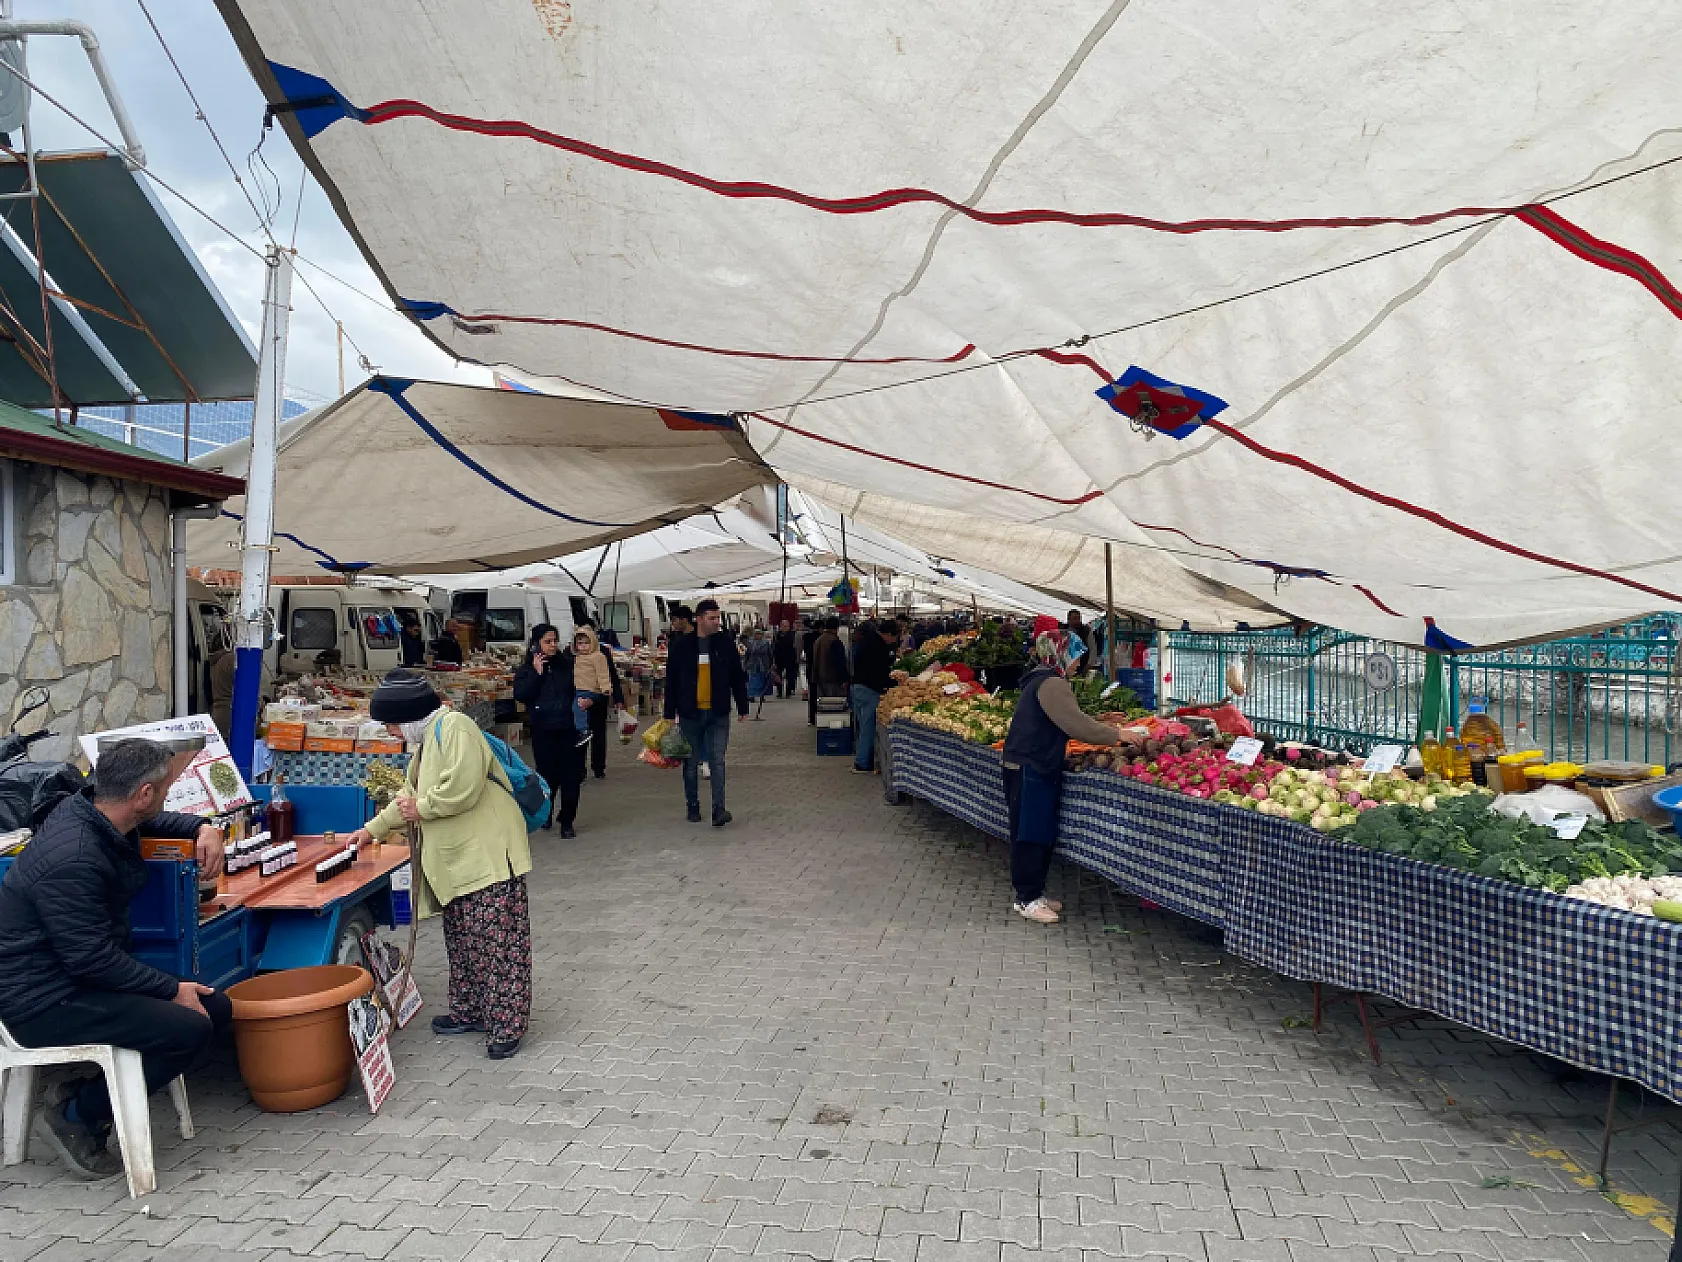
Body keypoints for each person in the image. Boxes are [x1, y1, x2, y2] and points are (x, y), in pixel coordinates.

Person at [0, 739, 229, 1179]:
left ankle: (85, 1094)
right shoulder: (74, 857)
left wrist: (204, 827)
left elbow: (157, 819)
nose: (165, 799)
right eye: (164, 791)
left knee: (215, 1006)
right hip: (41, 999)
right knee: (191, 1028)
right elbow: (89, 960)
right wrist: (170, 989)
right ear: (144, 793)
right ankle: (76, 1115)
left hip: (78, 976)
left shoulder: (94, 809)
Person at [346, 671, 533, 1059]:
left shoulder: (456, 727)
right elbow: (407, 796)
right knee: (463, 941)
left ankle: (507, 1026)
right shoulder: (426, 741)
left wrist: (423, 808)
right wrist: (371, 830)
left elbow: (463, 787)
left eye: (393, 724)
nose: (392, 732)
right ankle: (470, 1011)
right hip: (457, 864)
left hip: (485, 857)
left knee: (496, 946)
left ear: (409, 715)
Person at [1000, 632, 1123, 924]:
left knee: (1038, 830)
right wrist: (1117, 735)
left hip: (1031, 763)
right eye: (1076, 656)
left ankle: (1034, 894)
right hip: (1030, 765)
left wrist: (1101, 722)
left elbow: (1063, 719)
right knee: (1030, 833)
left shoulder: (1042, 678)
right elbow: (1075, 725)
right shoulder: (1051, 683)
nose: (1078, 662)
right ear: (1061, 653)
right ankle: (1027, 899)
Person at [663, 598, 749, 826]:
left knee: (717, 762)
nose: (717, 622)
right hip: (690, 713)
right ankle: (692, 806)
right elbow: (671, 681)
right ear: (699, 619)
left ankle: (718, 809)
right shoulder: (681, 646)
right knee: (690, 764)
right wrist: (669, 713)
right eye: (712, 618)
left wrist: (742, 706)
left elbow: (736, 676)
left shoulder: (725, 643)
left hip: (718, 712)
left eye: (718, 618)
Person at [512, 624, 587, 838]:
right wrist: (537, 674)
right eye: (548, 641)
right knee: (547, 775)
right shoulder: (527, 670)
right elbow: (521, 695)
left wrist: (588, 700)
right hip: (543, 729)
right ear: (536, 644)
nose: (553, 645)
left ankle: (567, 820)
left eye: (555, 641)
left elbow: (582, 687)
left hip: (568, 728)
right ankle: (546, 811)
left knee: (571, 776)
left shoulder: (567, 665)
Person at [850, 618, 899, 775]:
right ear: (888, 634)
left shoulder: (868, 640)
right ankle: (862, 764)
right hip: (868, 690)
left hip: (857, 687)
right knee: (868, 728)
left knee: (863, 726)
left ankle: (864, 759)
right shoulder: (878, 646)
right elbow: (879, 672)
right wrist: (893, 683)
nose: (893, 641)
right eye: (894, 637)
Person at [569, 625, 613, 750]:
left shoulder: (598, 657)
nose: (583, 646)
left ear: (593, 642)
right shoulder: (577, 657)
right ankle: (582, 730)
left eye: (586, 643)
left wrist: (605, 688)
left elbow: (603, 673)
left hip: (591, 689)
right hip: (580, 689)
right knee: (577, 708)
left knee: (577, 707)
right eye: (580, 643)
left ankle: (584, 731)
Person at [810, 616, 850, 708]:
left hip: (819, 678)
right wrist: (844, 679)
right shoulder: (834, 641)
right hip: (832, 678)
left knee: (822, 705)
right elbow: (840, 661)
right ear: (837, 628)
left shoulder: (818, 640)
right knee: (833, 705)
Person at [743, 627, 775, 719]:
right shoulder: (750, 643)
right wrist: (745, 665)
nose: (758, 636)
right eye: (756, 634)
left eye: (760, 634)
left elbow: (770, 654)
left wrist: (771, 663)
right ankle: (751, 695)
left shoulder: (766, 643)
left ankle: (761, 695)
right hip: (752, 665)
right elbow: (747, 655)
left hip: (763, 665)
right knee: (752, 680)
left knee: (762, 679)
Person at [773, 619, 800, 699]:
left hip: (790, 658)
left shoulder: (792, 635)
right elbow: (774, 647)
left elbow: (795, 647)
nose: (784, 628)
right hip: (779, 658)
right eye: (783, 626)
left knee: (790, 676)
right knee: (778, 676)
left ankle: (788, 691)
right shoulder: (777, 635)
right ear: (780, 627)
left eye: (786, 626)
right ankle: (779, 692)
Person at [803, 618, 822, 726]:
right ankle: (821, 717)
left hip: (810, 668)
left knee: (812, 694)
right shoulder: (821, 638)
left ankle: (812, 718)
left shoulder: (806, 637)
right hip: (821, 669)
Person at [1065, 610, 1092, 675]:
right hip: (1067, 667)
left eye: (1079, 618)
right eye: (1075, 618)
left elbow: (1093, 649)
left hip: (1083, 667)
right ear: (1068, 620)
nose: (1077, 621)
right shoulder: (1063, 631)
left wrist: (1088, 664)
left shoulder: (1086, 631)